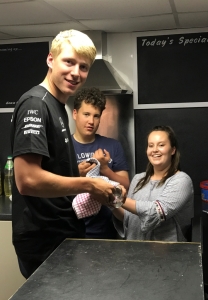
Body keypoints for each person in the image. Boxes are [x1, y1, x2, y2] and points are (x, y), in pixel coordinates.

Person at [10, 29, 126, 279]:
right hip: (43, 237)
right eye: (69, 62)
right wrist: (89, 185)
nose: (76, 73)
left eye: (83, 67)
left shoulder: (57, 105)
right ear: (51, 60)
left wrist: (75, 171)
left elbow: (47, 170)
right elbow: (27, 180)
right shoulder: (36, 104)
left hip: (61, 231)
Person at [112, 125, 194, 242]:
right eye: (151, 145)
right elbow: (127, 217)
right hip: (134, 252)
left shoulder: (181, 180)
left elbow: (155, 212)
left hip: (168, 256)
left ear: (173, 150)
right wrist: (109, 202)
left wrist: (117, 197)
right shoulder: (138, 179)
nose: (155, 150)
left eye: (161, 145)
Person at [72, 87, 130, 239]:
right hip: (71, 229)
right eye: (86, 114)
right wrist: (76, 175)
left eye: (96, 116)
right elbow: (51, 188)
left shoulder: (112, 145)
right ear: (75, 114)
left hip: (106, 230)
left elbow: (126, 184)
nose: (91, 121)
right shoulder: (63, 147)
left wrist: (105, 169)